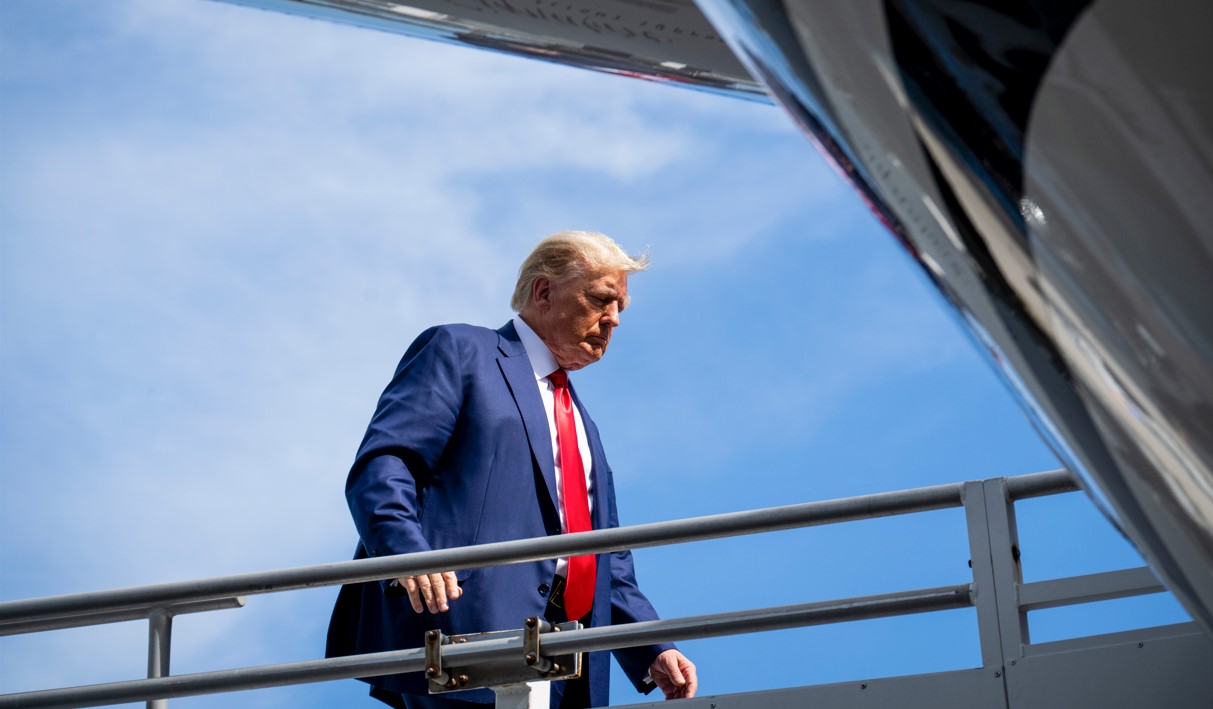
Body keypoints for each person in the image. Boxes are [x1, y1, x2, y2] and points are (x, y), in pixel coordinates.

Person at [326, 231, 697, 708]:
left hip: (570, 659)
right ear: (544, 293)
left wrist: (652, 647)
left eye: (621, 307)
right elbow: (386, 462)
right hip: (463, 632)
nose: (614, 321)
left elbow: (607, 558)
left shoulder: (585, 426)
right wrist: (407, 557)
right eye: (602, 299)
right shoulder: (461, 350)